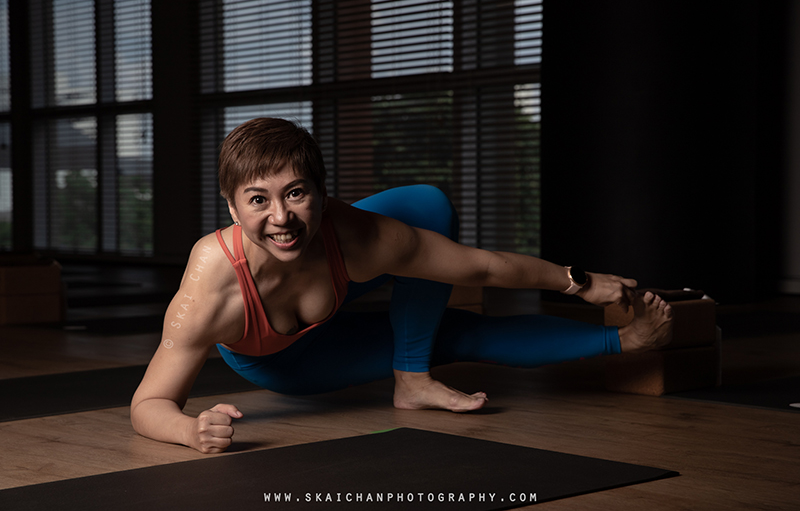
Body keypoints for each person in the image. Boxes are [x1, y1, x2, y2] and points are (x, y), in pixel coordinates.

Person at [131, 117, 673, 454]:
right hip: (286, 361)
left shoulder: (352, 234)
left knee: (426, 207)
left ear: (322, 192)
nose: (282, 218)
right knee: (455, 333)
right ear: (231, 207)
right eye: (258, 200)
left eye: (296, 194)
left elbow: (481, 267)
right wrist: (189, 432)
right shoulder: (212, 287)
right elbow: (150, 402)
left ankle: (410, 373)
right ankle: (626, 344)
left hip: (340, 279)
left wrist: (581, 283)